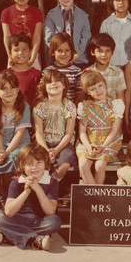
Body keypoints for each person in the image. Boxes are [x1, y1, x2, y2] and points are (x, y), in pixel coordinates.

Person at [0, 143, 62, 251]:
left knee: (55, 222)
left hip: (39, 220)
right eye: (29, 164)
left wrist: (37, 188)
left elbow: (50, 211)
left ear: (45, 164)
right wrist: (26, 191)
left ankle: (11, 234)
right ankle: (35, 238)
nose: (35, 167)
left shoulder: (51, 182)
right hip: (18, 218)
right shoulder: (16, 181)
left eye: (39, 163)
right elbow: (9, 212)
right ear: (23, 166)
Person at [33, 69, 77, 199]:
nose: (53, 84)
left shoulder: (69, 106)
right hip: (43, 143)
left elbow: (69, 133)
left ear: (64, 85)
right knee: (41, 164)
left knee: (63, 165)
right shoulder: (40, 107)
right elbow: (38, 132)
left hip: (63, 143)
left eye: (57, 81)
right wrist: (46, 150)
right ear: (44, 87)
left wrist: (56, 150)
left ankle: (48, 187)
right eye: (49, 82)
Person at [76, 71, 124, 184]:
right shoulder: (84, 106)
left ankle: (96, 195)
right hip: (89, 142)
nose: (98, 91)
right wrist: (88, 147)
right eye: (93, 89)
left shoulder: (115, 104)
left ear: (105, 84)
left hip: (108, 142)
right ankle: (93, 196)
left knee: (100, 165)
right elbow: (82, 132)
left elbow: (114, 130)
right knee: (83, 165)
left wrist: (102, 146)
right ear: (87, 91)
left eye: (100, 86)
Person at [44, 0, 91, 67]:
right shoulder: (51, 15)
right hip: (57, 60)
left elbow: (86, 37)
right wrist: (59, 55)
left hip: (78, 59)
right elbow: (48, 38)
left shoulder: (83, 15)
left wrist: (77, 54)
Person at [1, 0, 43, 70]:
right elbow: (7, 36)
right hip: (14, 55)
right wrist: (10, 55)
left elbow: (37, 36)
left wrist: (32, 58)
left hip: (32, 54)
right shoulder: (6, 12)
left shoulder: (37, 12)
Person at [41, 32, 82, 103]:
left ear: (72, 51)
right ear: (53, 52)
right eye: (59, 51)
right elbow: (42, 91)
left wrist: (73, 109)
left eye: (67, 50)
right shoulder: (47, 71)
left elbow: (80, 94)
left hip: (71, 110)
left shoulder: (77, 71)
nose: (63, 54)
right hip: (51, 109)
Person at [84, 33, 126, 100]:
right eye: (100, 51)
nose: (104, 54)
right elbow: (83, 97)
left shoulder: (118, 72)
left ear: (112, 52)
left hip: (113, 109)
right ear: (92, 52)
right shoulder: (86, 73)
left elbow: (120, 98)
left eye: (107, 51)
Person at [4, 32, 41, 106]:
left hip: (31, 115)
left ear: (30, 52)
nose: (20, 53)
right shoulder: (5, 75)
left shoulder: (37, 74)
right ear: (10, 54)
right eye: (16, 50)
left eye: (24, 49)